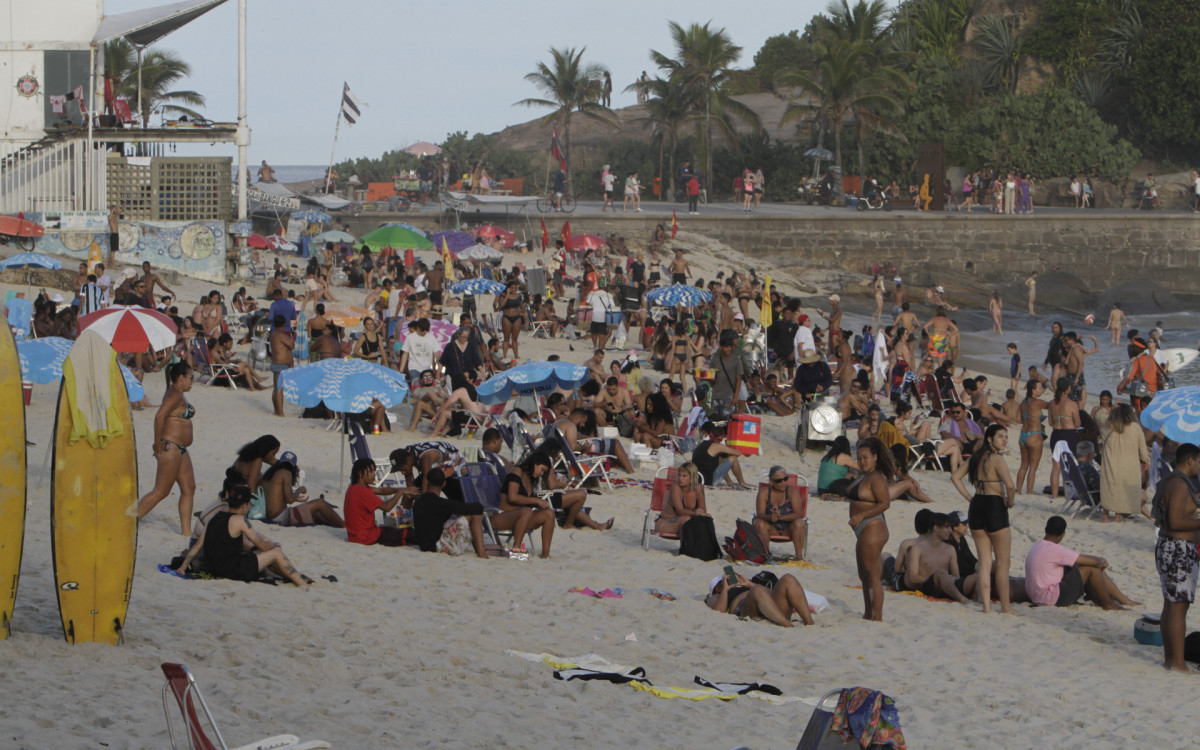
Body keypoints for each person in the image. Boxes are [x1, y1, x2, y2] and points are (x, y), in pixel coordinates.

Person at [176, 486, 308, 587]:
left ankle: (291, 576)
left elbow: (198, 544)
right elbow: (262, 545)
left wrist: (183, 567)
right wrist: (274, 545)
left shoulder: (215, 518)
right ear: (244, 505)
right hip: (232, 570)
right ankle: (302, 584)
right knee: (276, 552)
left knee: (259, 552)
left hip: (214, 568)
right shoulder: (240, 520)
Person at [951, 424, 1017, 613]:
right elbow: (1010, 486)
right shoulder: (997, 459)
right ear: (989, 439)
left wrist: (968, 497)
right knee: (1003, 562)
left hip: (977, 506)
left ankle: (986, 606)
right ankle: (1005, 607)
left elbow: (955, 477)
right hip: (995, 506)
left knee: (984, 561)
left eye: (1006, 437)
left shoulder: (975, 458)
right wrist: (1009, 502)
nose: (1004, 440)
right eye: (1000, 436)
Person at [1150, 443, 1200, 671]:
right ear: (1190, 460)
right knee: (1178, 606)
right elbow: (1176, 521)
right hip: (1178, 549)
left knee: (1171, 605)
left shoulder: (1170, 481)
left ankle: (1170, 659)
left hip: (1169, 547)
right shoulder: (1179, 484)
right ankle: (1177, 662)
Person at [1025, 515, 1139, 610]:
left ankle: (1117, 600)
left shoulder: (1037, 546)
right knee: (1091, 568)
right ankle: (1108, 604)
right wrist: (1101, 561)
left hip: (1036, 595)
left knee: (1079, 566)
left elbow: (1076, 561)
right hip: (1050, 598)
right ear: (1063, 534)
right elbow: (1094, 562)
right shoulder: (1055, 549)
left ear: (1045, 529)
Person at [137, 362, 198, 535]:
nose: (192, 381)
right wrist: (157, 444)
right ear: (181, 378)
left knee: (189, 488)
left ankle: (186, 532)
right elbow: (159, 417)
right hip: (170, 447)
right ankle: (132, 520)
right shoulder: (174, 395)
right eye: (191, 377)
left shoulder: (177, 394)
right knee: (161, 491)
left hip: (180, 449)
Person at [848, 438, 894, 621]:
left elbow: (885, 503)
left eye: (866, 457)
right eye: (859, 458)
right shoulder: (863, 476)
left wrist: (861, 516)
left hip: (872, 526)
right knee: (864, 574)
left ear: (875, 457)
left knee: (872, 574)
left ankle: (877, 616)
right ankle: (869, 614)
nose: (862, 461)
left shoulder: (876, 478)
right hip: (864, 530)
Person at [412, 468, 488, 558]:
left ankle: (480, 551)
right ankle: (481, 552)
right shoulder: (441, 503)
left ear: (427, 482)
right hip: (436, 547)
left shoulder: (418, 502)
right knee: (474, 513)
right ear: (444, 484)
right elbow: (478, 508)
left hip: (423, 546)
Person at [344, 458, 418, 546]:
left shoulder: (352, 488)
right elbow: (387, 507)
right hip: (367, 537)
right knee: (407, 532)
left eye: (374, 471)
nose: (374, 475)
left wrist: (404, 489)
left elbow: (382, 491)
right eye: (371, 472)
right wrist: (401, 492)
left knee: (390, 527)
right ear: (360, 473)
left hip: (354, 536)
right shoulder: (363, 492)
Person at [500, 452, 559, 558]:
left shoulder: (531, 479)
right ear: (535, 463)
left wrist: (538, 504)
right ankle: (516, 549)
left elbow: (527, 501)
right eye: (542, 469)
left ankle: (545, 555)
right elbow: (512, 497)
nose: (542, 473)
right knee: (527, 511)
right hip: (504, 515)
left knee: (549, 513)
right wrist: (535, 501)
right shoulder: (517, 471)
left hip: (522, 517)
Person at [705, 570, 814, 627]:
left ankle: (809, 623)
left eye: (726, 580)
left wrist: (749, 584)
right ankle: (787, 625)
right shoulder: (716, 596)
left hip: (771, 608)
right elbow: (718, 612)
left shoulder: (747, 586)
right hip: (746, 609)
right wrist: (725, 589)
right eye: (720, 583)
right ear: (716, 589)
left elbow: (770, 594)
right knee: (757, 590)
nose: (726, 582)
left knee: (788, 578)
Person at [262, 457, 343, 528]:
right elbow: (290, 500)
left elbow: (276, 499)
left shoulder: (270, 475)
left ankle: (337, 525)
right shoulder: (286, 473)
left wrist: (295, 497)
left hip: (272, 516)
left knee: (315, 514)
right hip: (281, 517)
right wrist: (300, 489)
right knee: (320, 502)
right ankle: (344, 525)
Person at [1100, 404, 1149, 522]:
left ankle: (1105, 516)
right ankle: (1118, 516)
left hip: (1110, 462)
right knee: (1122, 490)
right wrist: (1146, 460)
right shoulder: (1135, 427)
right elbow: (1142, 449)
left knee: (1109, 487)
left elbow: (1098, 415)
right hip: (1128, 465)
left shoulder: (1108, 423)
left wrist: (1110, 408)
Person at [754, 465, 809, 561]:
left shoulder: (792, 491)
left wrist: (780, 517)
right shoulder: (764, 492)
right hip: (771, 528)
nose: (783, 483)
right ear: (771, 482)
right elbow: (760, 514)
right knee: (759, 523)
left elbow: (798, 513)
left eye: (785, 479)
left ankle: (799, 557)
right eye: (779, 481)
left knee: (799, 523)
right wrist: (771, 517)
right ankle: (766, 555)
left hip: (789, 528)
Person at [654, 462, 709, 536]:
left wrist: (702, 512)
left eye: (684, 476)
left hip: (687, 522)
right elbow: (680, 511)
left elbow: (703, 510)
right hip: (666, 523)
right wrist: (696, 513)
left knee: (706, 520)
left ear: (692, 477)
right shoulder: (676, 488)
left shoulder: (699, 489)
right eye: (679, 475)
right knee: (686, 519)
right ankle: (685, 547)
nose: (680, 478)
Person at [708, 333, 744, 413]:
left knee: (728, 421)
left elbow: (739, 379)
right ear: (721, 347)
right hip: (716, 395)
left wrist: (736, 396)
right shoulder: (715, 361)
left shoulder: (736, 361)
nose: (728, 349)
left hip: (729, 396)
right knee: (715, 421)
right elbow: (712, 379)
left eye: (730, 347)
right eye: (726, 347)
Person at [269, 315, 294, 418]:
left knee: (276, 388)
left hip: (278, 363)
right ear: (284, 324)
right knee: (279, 389)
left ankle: (276, 410)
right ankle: (280, 412)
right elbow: (292, 345)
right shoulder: (280, 335)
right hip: (280, 364)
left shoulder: (274, 334)